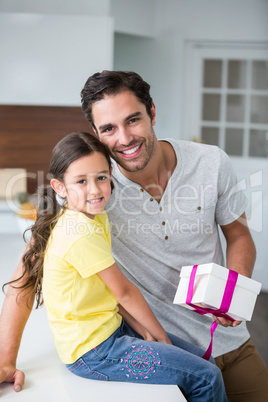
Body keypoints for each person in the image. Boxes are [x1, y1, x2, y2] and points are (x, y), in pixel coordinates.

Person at [0, 70, 267, 400]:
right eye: (109, 129)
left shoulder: (211, 163)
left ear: (152, 112)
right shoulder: (93, 195)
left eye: (133, 120)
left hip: (229, 340)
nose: (124, 138)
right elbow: (27, 275)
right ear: (97, 134)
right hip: (155, 346)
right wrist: (5, 359)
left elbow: (238, 233)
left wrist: (230, 295)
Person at [1, 131, 228, 401]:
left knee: (207, 363)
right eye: (81, 181)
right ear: (59, 187)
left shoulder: (94, 218)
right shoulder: (79, 231)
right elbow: (124, 292)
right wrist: (162, 340)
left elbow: (107, 292)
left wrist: (144, 329)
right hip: (94, 351)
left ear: (111, 174)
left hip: (112, 329)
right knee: (207, 377)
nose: (95, 189)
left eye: (101, 178)